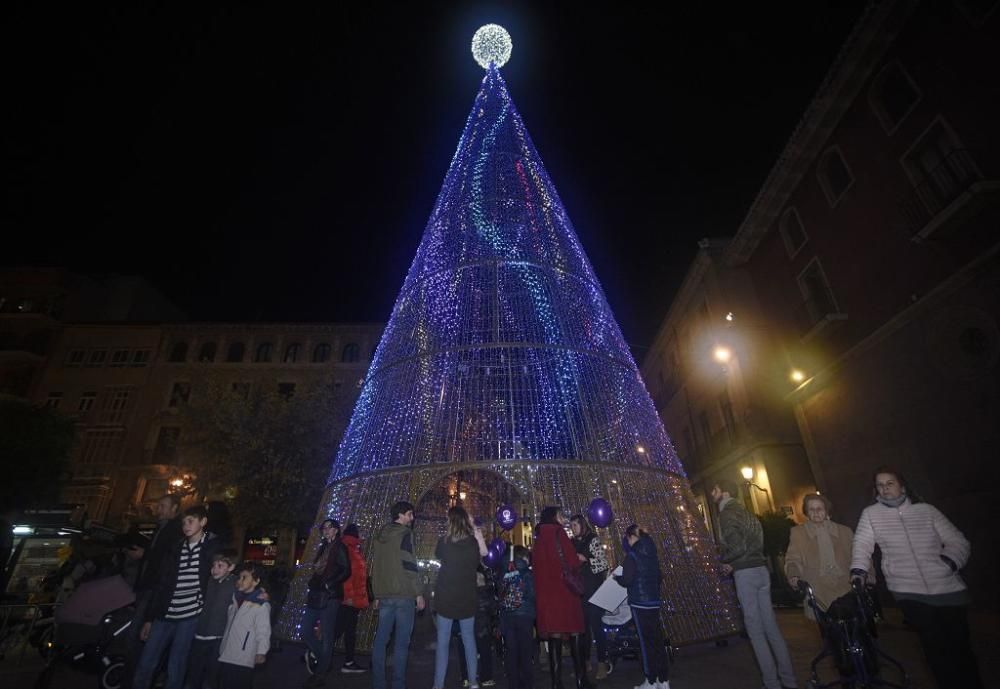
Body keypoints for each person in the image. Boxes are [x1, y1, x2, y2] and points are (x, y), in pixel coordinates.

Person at [850, 467, 983, 689]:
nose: (884, 488)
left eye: (889, 483)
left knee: (961, 647)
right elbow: (862, 545)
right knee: (934, 647)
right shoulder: (871, 514)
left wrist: (949, 562)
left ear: (902, 486)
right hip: (908, 590)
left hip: (948, 588)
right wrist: (858, 571)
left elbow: (958, 541)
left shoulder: (926, 511)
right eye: (880, 485)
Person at [712, 480, 797, 689]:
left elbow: (738, 547)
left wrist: (725, 560)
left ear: (723, 493)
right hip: (761, 571)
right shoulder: (748, 513)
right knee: (771, 628)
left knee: (756, 632)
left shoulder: (726, 514)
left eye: (715, 490)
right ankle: (789, 680)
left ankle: (771, 683)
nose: (713, 494)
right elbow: (755, 543)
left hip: (746, 574)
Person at [133, 504, 222, 689]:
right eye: (183, 522)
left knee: (177, 665)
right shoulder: (176, 548)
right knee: (146, 662)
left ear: (203, 522)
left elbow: (227, 571)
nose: (186, 525)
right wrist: (149, 618)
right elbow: (162, 584)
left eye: (191, 521)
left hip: (190, 616)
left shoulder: (212, 548)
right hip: (164, 613)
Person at [123, 494, 183, 689]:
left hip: (155, 589)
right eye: (159, 505)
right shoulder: (161, 527)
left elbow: (166, 557)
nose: (159, 509)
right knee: (139, 633)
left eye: (163, 506)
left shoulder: (175, 530)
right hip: (147, 587)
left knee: (140, 635)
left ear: (175, 509)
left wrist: (144, 554)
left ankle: (135, 678)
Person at [532, 506, 589, 689]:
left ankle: (556, 683)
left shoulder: (539, 538)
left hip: (547, 597)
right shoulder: (559, 533)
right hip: (565, 594)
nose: (563, 518)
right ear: (554, 517)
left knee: (554, 636)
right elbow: (571, 561)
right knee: (574, 632)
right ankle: (581, 680)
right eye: (560, 515)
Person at [371, 501, 426, 689]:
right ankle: (398, 685)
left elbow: (376, 567)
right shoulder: (405, 534)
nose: (412, 518)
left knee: (381, 641)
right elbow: (409, 563)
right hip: (404, 594)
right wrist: (418, 593)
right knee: (401, 644)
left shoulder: (380, 537)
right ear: (401, 515)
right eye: (410, 514)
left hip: (385, 595)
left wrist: (377, 594)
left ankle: (378, 684)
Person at [432, 506, 489, 689]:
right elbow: (485, 555)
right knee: (468, 640)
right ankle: (473, 681)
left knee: (443, 642)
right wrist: (477, 534)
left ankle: (438, 685)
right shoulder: (472, 543)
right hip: (467, 597)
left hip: (446, 597)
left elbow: (438, 555)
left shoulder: (444, 542)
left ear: (451, 521)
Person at [613, 525, 669, 689]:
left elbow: (627, 580)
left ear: (631, 537)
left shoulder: (632, 555)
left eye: (627, 538)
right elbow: (659, 577)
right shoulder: (652, 554)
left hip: (639, 603)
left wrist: (617, 578)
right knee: (658, 641)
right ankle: (663, 680)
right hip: (654, 602)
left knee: (646, 643)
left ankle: (650, 681)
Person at [784, 494, 857, 619]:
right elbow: (793, 558)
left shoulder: (845, 531)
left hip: (846, 587)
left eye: (820, 509)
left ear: (827, 510)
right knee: (829, 632)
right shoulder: (798, 533)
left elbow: (857, 556)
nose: (816, 512)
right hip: (818, 590)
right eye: (811, 509)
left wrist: (862, 576)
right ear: (806, 512)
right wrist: (793, 574)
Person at [302, 518, 351, 688]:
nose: (326, 530)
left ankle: (320, 673)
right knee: (305, 631)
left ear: (336, 530)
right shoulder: (323, 547)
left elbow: (346, 570)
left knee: (327, 635)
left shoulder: (340, 547)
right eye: (324, 528)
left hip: (330, 596)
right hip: (316, 594)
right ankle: (324, 660)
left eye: (329, 527)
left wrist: (330, 584)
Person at [185, 549, 238, 689]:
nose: (215, 569)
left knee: (213, 674)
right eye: (213, 565)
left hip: (217, 637)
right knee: (194, 672)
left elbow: (248, 593)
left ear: (231, 567)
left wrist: (261, 595)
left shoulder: (234, 583)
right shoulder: (208, 581)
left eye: (220, 566)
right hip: (199, 634)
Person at [217, 562, 271, 689]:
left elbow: (263, 630)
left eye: (244, 577)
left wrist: (261, 651)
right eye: (239, 577)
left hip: (244, 656)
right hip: (227, 653)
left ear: (256, 581)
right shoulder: (236, 598)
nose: (240, 581)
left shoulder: (261, 604)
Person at [570, 514, 611, 679]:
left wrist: (586, 559)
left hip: (594, 590)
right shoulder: (572, 543)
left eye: (575, 525)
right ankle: (585, 663)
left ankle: (602, 663)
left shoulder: (592, 539)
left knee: (597, 627)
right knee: (583, 629)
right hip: (580, 591)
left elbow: (603, 563)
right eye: (571, 525)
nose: (573, 528)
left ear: (582, 524)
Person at [334, 523, 369, 674]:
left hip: (354, 598)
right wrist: (348, 596)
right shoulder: (347, 548)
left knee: (348, 630)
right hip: (349, 599)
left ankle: (348, 662)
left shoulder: (354, 548)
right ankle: (316, 652)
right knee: (339, 629)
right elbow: (347, 575)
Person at [500, 546, 536, 689]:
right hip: (525, 617)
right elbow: (532, 594)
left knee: (511, 653)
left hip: (507, 617)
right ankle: (527, 684)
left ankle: (513, 684)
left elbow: (500, 591)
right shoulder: (527, 573)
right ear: (524, 558)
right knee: (526, 653)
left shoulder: (504, 571)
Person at [457, 565, 498, 687]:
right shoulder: (486, 594)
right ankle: (486, 678)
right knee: (485, 654)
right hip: (483, 629)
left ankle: (466, 677)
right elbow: (493, 609)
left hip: (467, 628)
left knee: (465, 653)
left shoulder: (465, 594)